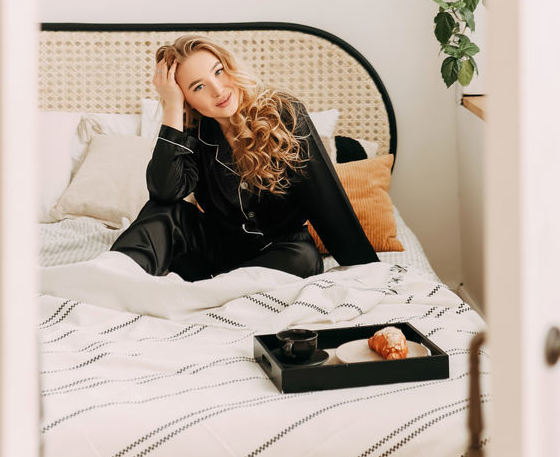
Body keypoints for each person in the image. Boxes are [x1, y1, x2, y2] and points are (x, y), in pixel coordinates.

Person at [110, 34, 379, 281]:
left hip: (282, 252)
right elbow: (165, 191)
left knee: (304, 258)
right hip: (218, 249)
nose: (217, 89)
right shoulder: (193, 132)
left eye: (219, 71)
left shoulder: (284, 114)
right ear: (187, 100)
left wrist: (372, 277)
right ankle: (112, 280)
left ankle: (211, 292)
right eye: (198, 87)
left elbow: (327, 204)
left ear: (230, 66)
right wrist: (172, 108)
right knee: (165, 212)